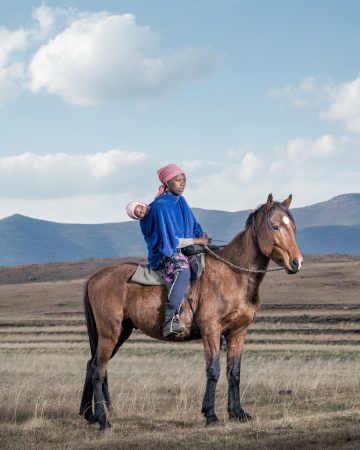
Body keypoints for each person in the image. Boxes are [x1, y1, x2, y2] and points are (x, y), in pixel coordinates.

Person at [139, 163, 210, 337]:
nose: (182, 183)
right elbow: (170, 241)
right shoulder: (160, 206)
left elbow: (193, 225)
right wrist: (196, 240)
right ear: (167, 183)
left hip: (185, 249)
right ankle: (170, 321)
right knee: (183, 272)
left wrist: (202, 237)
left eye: (184, 180)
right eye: (178, 180)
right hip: (167, 253)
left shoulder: (181, 201)